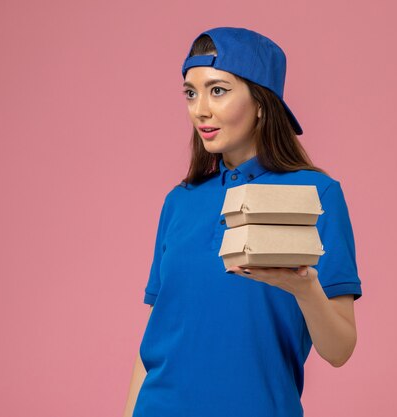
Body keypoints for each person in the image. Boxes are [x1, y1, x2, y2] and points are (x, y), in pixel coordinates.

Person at [122, 26, 362, 417]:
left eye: (218, 90)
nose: (200, 108)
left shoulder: (317, 195)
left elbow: (339, 350)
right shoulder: (179, 202)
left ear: (263, 102)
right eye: (190, 92)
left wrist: (305, 289)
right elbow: (155, 334)